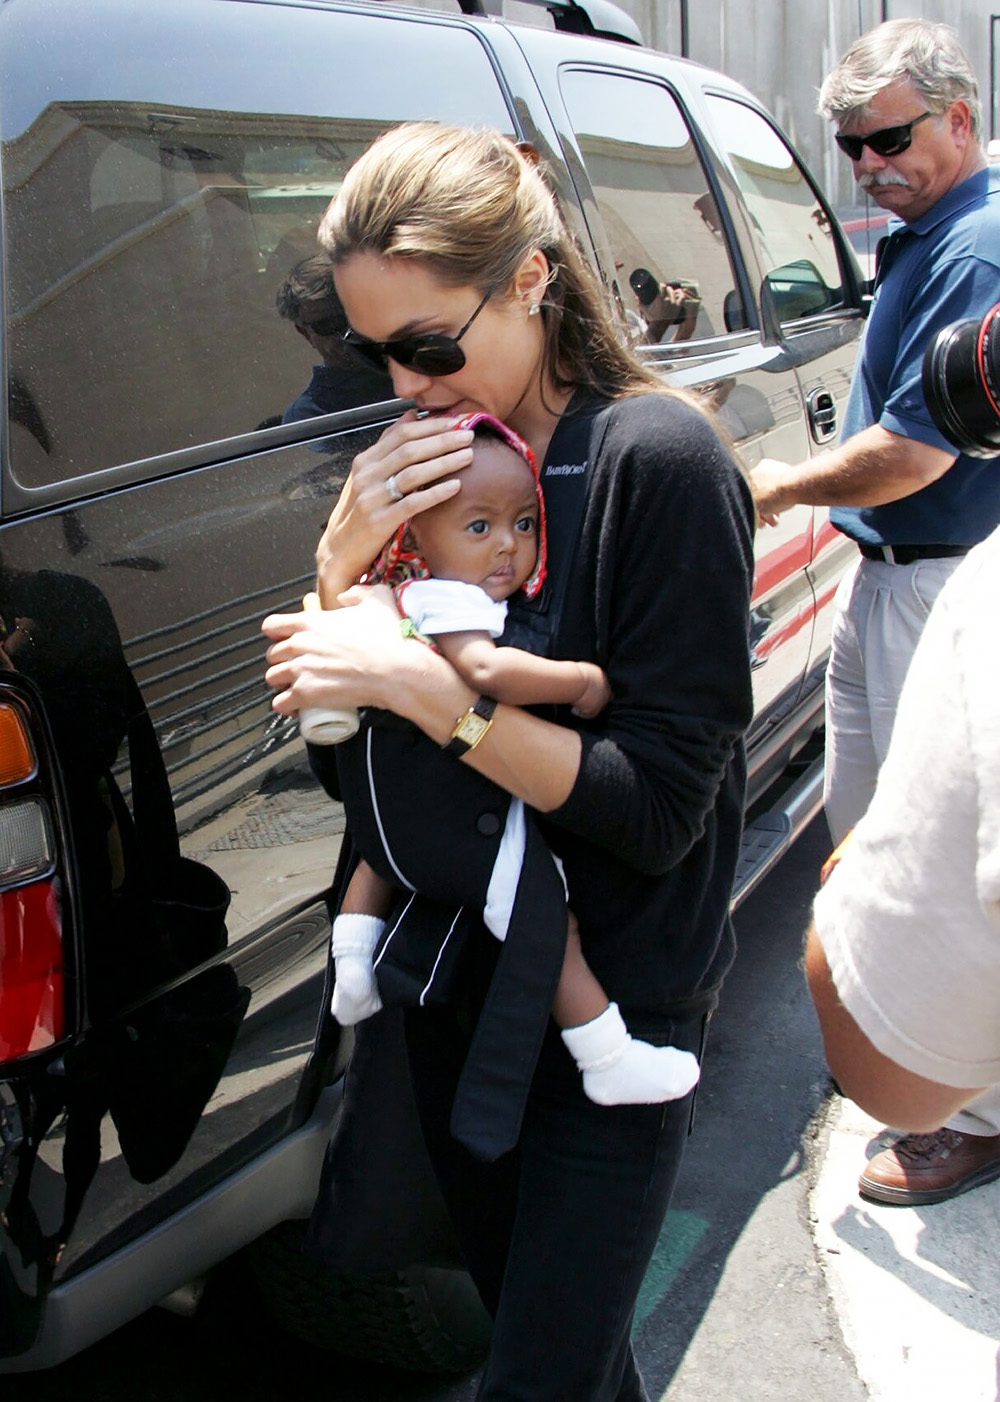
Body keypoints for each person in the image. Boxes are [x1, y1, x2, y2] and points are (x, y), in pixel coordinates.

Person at [262, 120, 754, 1402]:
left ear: (531, 278)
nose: (408, 384)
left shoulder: (658, 463)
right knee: (569, 1368)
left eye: (430, 343)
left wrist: (437, 698)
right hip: (454, 997)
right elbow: (352, 788)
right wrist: (338, 574)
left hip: (615, 1008)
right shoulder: (416, 469)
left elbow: (655, 813)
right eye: (374, 352)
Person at [748, 18, 1000, 1208]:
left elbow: (911, 456)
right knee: (866, 838)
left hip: (939, 583)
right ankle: (921, 1058)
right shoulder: (930, 233)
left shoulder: (977, 248)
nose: (868, 165)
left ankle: (973, 1111)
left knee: (929, 867)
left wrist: (771, 485)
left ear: (959, 115)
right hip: (894, 578)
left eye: (889, 138)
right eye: (850, 147)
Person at [331, 410, 700, 1111]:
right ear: (417, 537)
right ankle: (606, 1054)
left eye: (524, 524)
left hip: (401, 799)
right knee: (545, 917)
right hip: (457, 799)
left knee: (377, 858)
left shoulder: (414, 593)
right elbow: (485, 670)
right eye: (479, 527)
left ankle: (353, 963)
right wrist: (582, 681)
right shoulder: (448, 599)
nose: (507, 546)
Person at [805, 522, 1000, 1200]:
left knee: (937, 877)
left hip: (927, 568)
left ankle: (981, 1120)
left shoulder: (985, 596)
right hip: (877, 566)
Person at [275, 252, 393, 424]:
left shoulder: (416, 371)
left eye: (357, 317)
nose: (349, 334)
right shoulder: (309, 415)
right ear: (306, 334)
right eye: (329, 325)